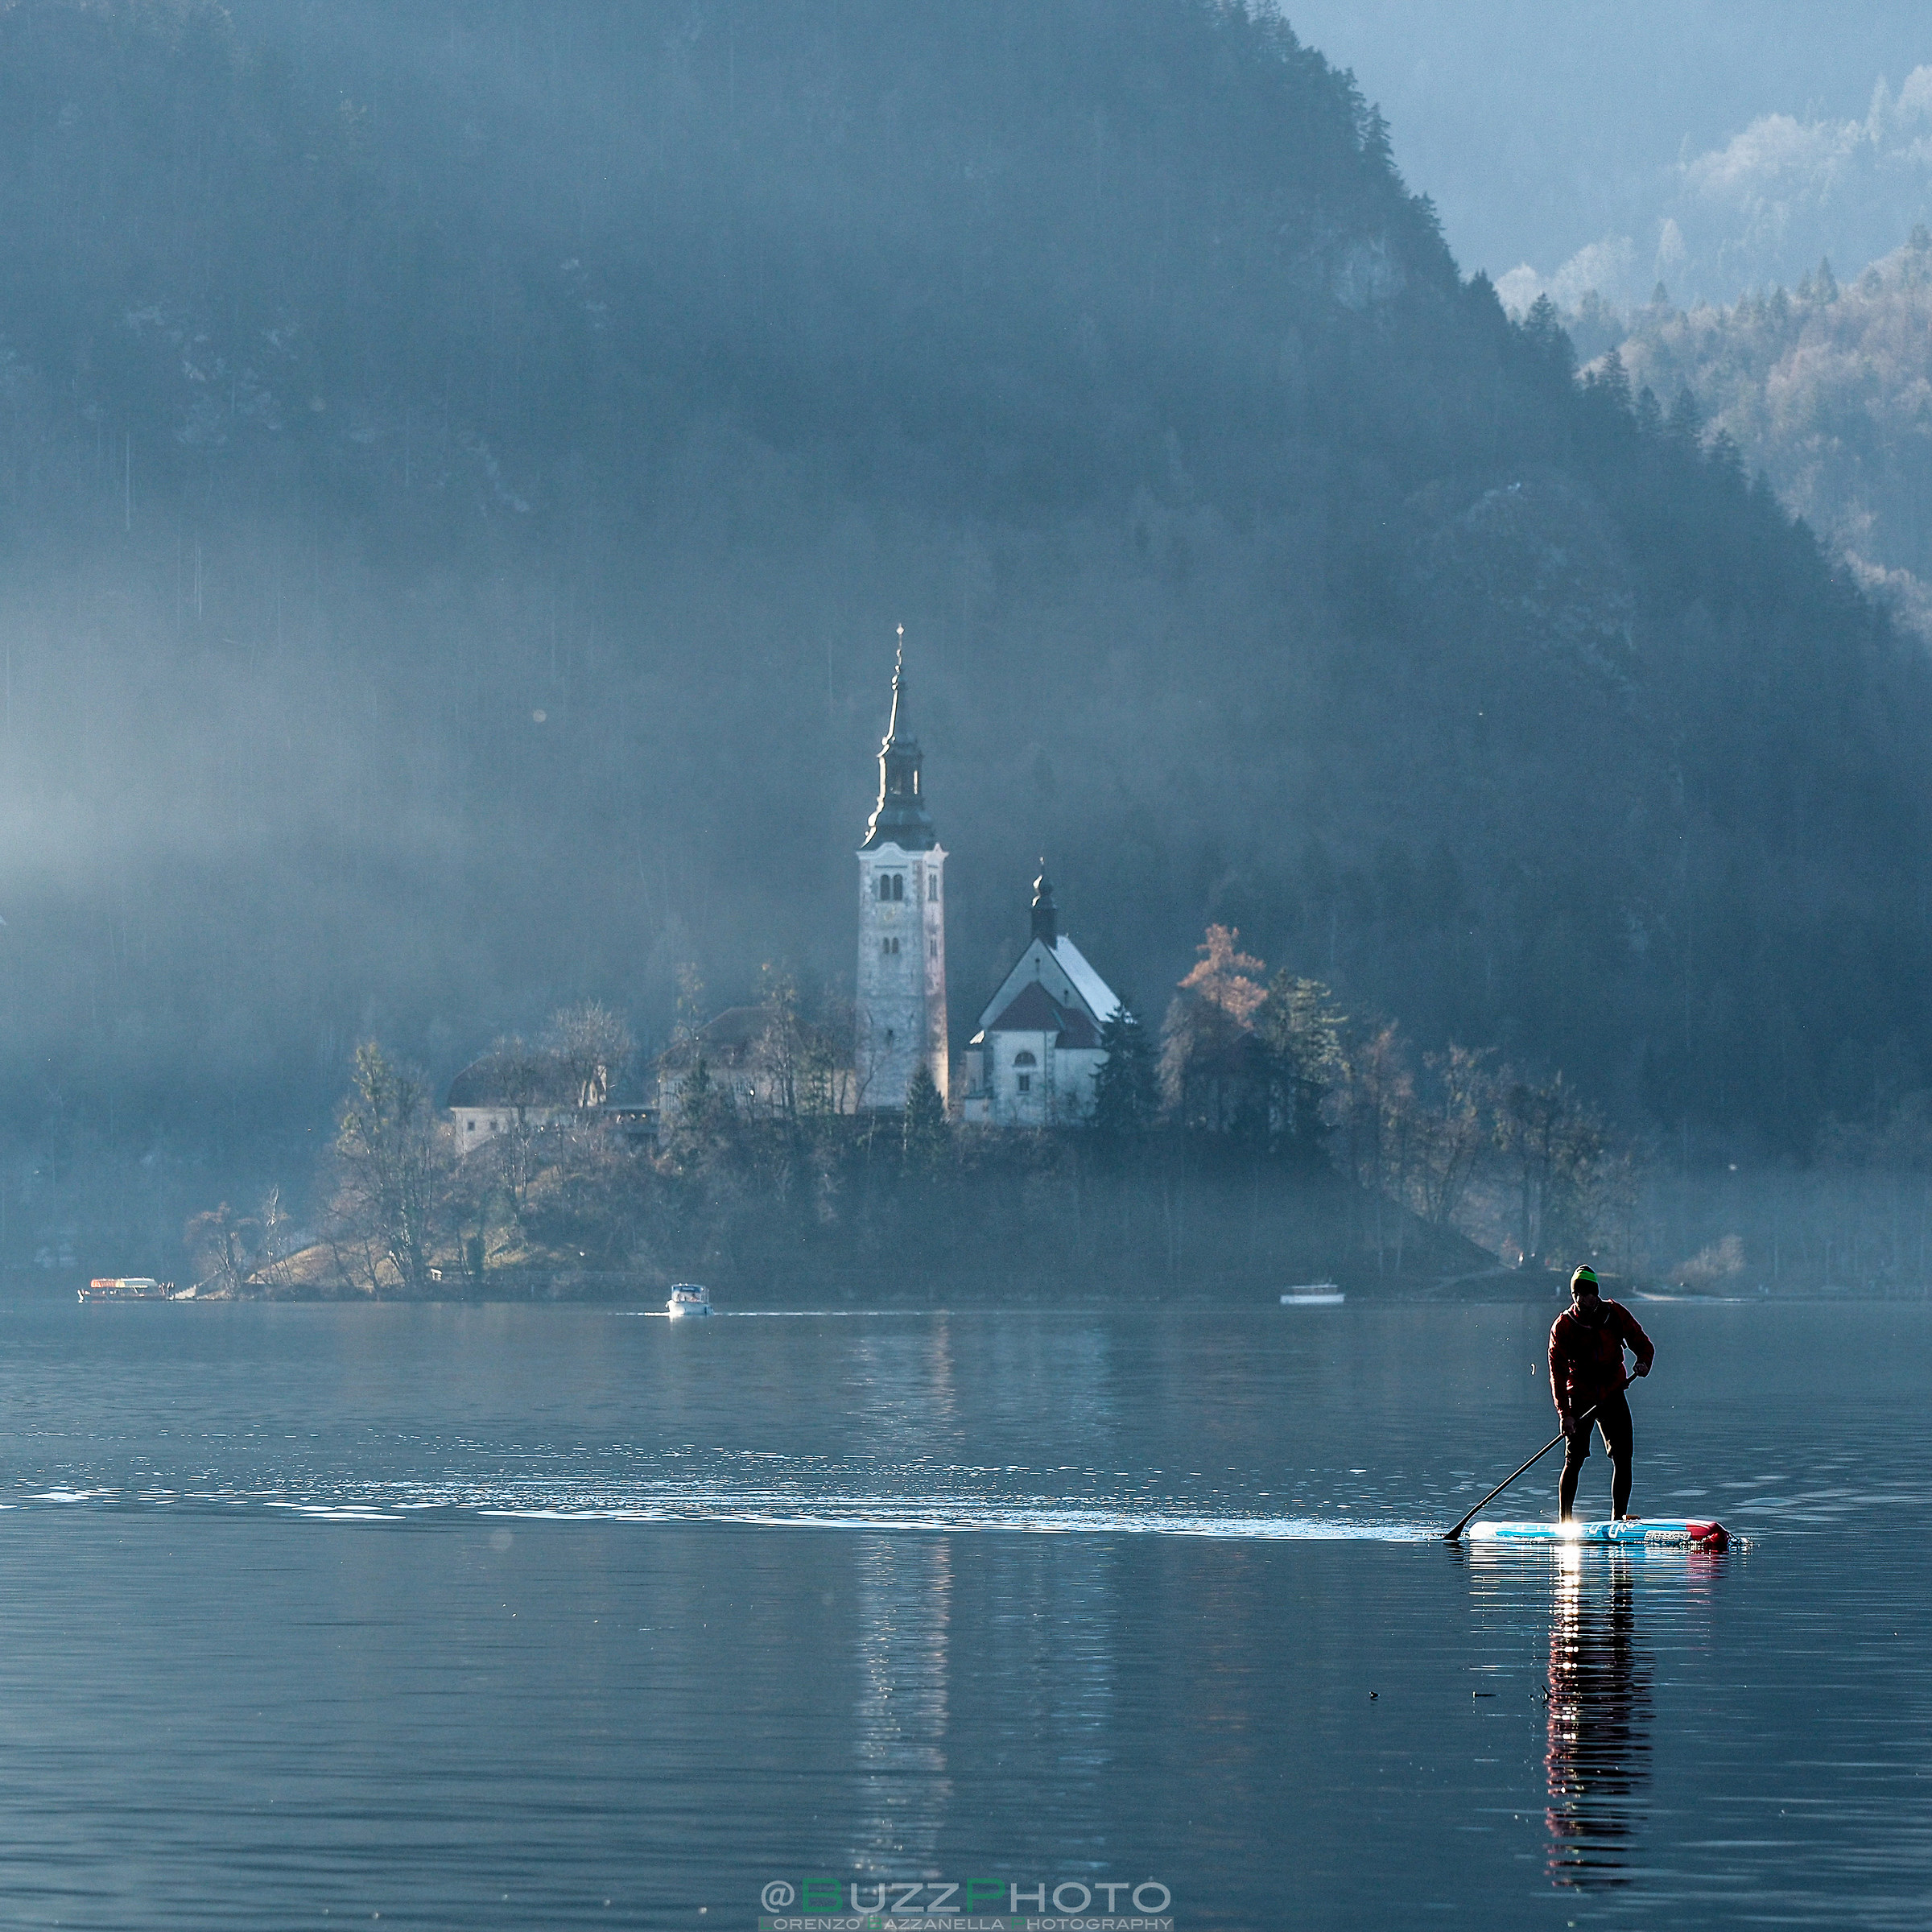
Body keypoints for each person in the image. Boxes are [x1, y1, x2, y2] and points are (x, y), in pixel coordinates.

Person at [1549, 1265, 1654, 1521]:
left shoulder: (1615, 1314)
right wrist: (1566, 1415)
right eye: (1576, 1294)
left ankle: (1618, 1520)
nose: (1581, 1299)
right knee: (1574, 1461)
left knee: (1623, 1456)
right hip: (1580, 1399)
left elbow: (1644, 1346)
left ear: (1596, 1293)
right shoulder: (1563, 1326)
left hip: (1612, 1393)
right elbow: (1558, 1375)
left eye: (1586, 1293)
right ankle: (1565, 1522)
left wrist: (1642, 1363)